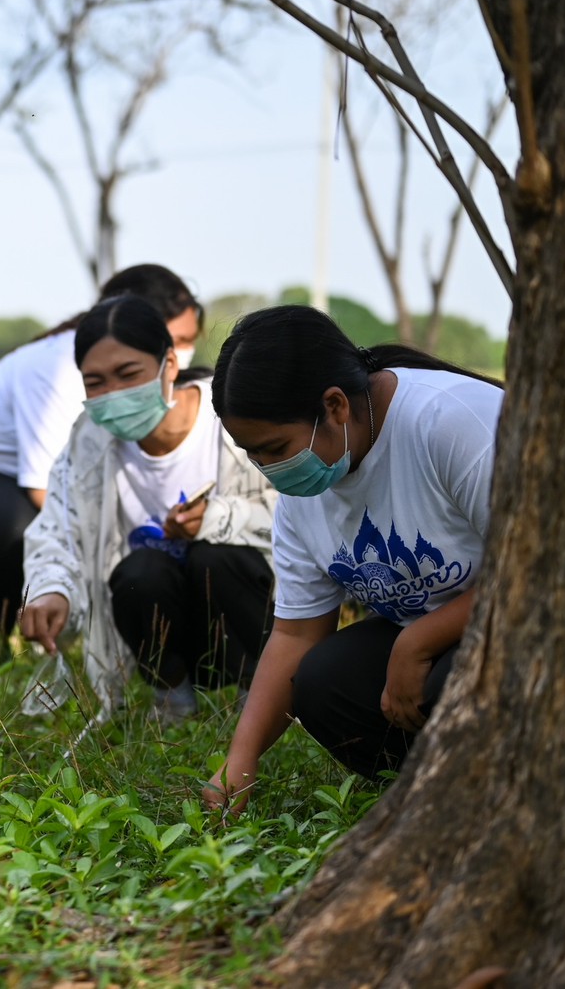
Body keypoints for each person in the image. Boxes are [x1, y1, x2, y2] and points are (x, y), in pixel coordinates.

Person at [202, 305, 505, 812]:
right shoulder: (301, 499)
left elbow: (542, 573)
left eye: (277, 447)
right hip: (437, 639)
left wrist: (418, 640)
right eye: (253, 454)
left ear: (336, 405)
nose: (269, 470)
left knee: (456, 676)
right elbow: (296, 634)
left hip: (533, 621)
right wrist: (240, 763)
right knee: (323, 680)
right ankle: (442, 791)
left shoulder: (450, 424)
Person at [19, 295, 276, 727]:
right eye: (95, 382)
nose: (112, 395)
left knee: (214, 555)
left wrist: (214, 517)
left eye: (128, 374)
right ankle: (171, 697)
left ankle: (258, 690)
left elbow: (293, 514)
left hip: (244, 617)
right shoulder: (89, 439)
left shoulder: (231, 419)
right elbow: (58, 529)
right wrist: (50, 588)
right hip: (165, 622)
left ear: (169, 365)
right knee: (140, 570)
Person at [0, 264, 206, 634]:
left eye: (188, 342)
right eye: (177, 340)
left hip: (27, 481)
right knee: (24, 524)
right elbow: (47, 488)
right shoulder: (55, 369)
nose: (183, 357)